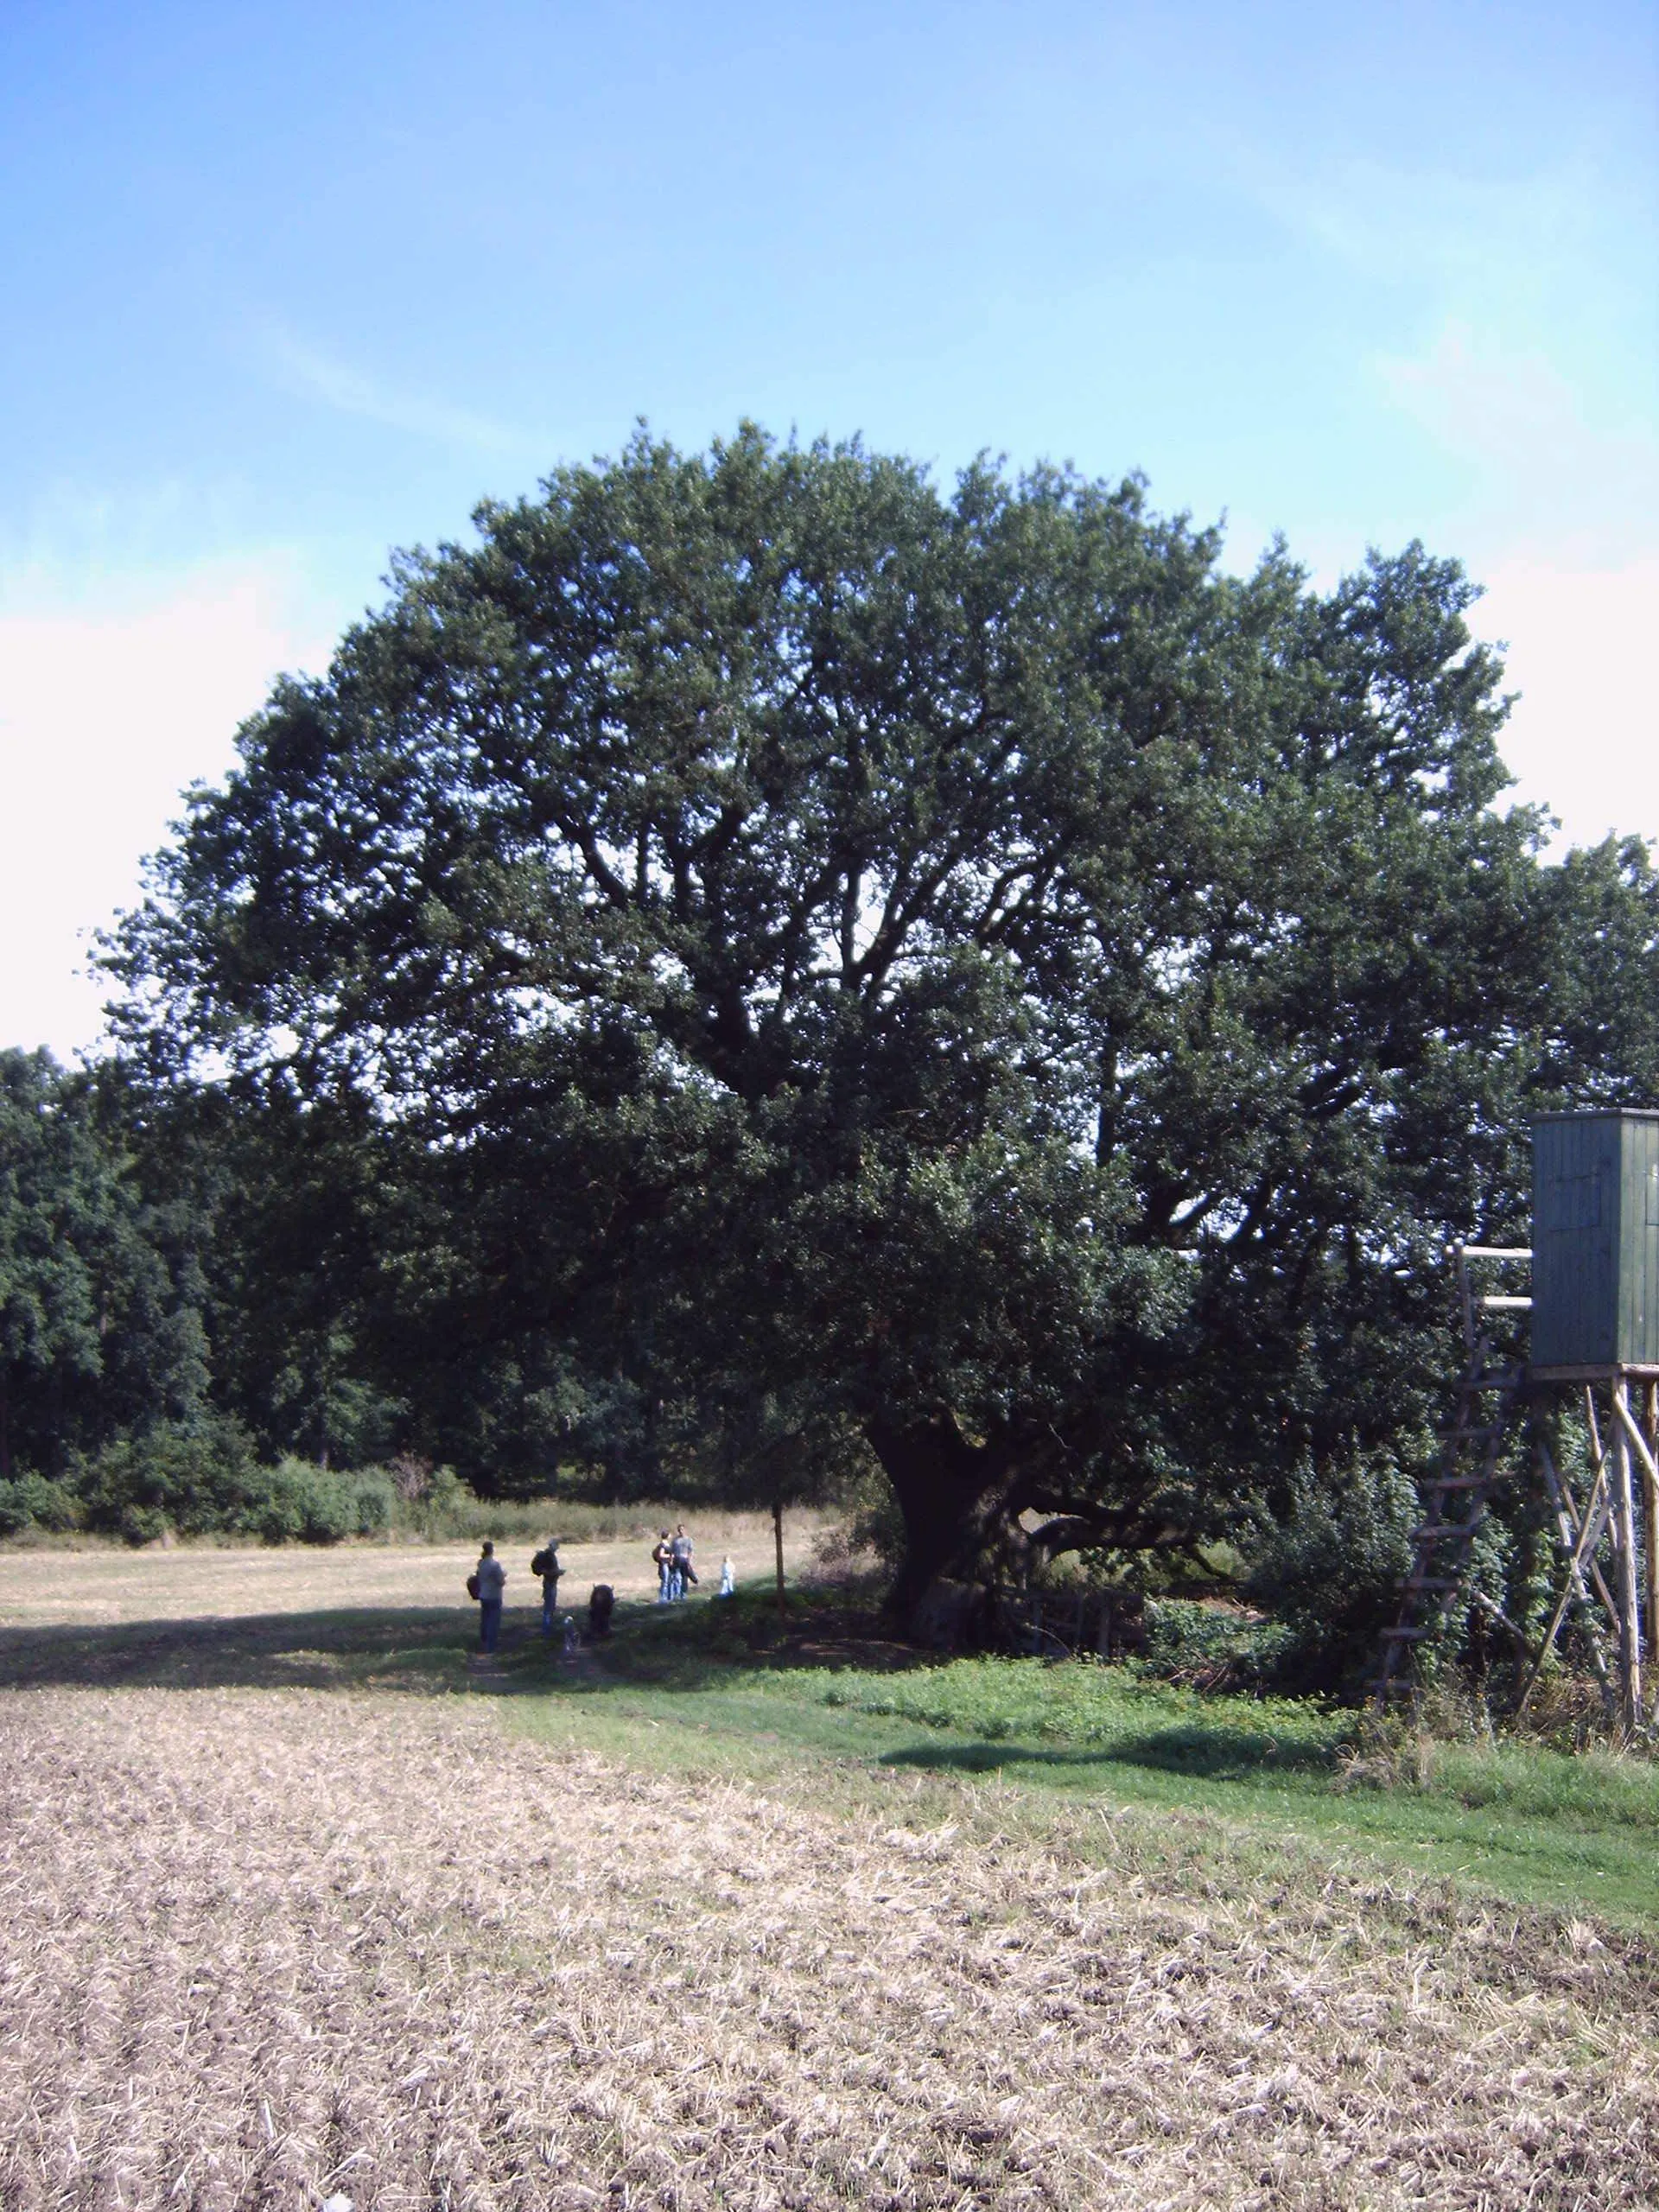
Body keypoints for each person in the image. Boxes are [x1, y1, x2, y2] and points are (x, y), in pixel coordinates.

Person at [474, 1540, 505, 1653]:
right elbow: (500, 1581)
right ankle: (490, 1646)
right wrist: (504, 1576)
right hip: (494, 1595)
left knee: (485, 1619)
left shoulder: (481, 1563)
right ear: (492, 1550)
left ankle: (483, 1642)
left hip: (483, 1594)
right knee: (494, 1621)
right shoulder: (495, 1565)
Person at [531, 1538, 562, 1637]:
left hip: (550, 1583)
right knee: (549, 1608)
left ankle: (548, 1629)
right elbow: (547, 1570)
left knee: (550, 1607)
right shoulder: (548, 1555)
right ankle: (546, 1631)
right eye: (557, 1545)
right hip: (550, 1584)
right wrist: (557, 1572)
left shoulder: (548, 1554)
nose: (558, 1547)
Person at [669, 1522, 696, 1600]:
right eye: (679, 1530)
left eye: (682, 1529)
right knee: (676, 1577)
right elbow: (672, 1551)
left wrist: (689, 1560)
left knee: (684, 1578)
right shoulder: (675, 1540)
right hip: (677, 1559)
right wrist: (671, 1560)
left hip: (685, 1560)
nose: (681, 1531)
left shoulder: (689, 1540)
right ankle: (676, 1594)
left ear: (685, 1530)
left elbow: (690, 1551)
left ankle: (683, 1594)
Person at [652, 1529, 672, 1604]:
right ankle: (662, 1598)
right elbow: (661, 1555)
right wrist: (670, 1556)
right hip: (664, 1564)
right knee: (665, 1581)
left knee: (668, 1580)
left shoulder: (666, 1544)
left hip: (667, 1564)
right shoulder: (663, 1545)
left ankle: (667, 1597)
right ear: (667, 1536)